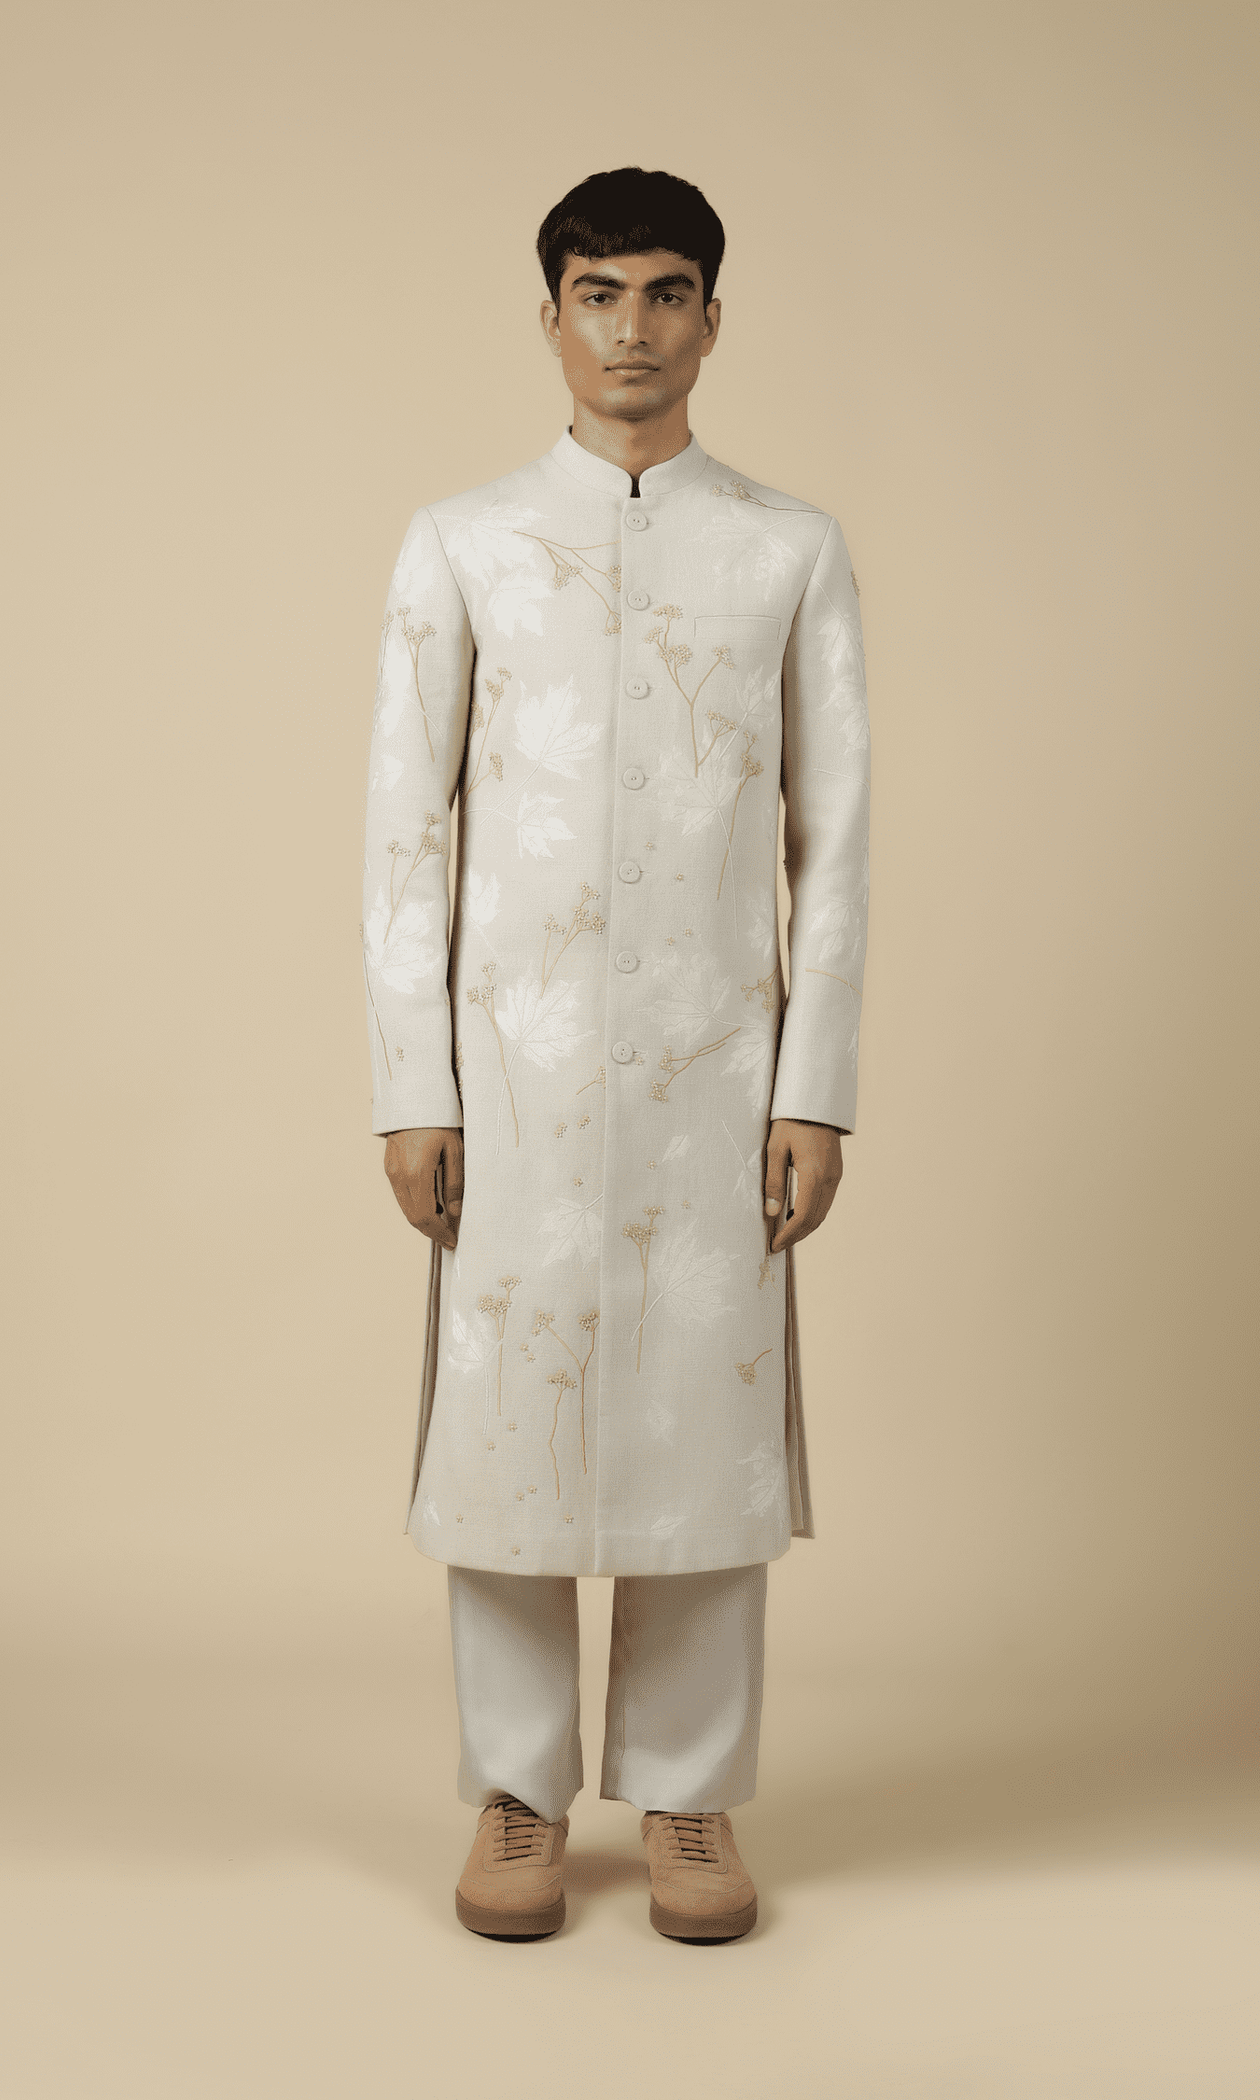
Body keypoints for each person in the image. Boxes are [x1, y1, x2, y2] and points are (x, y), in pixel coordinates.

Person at [362, 165, 870, 1942]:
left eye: (665, 292)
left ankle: (690, 1795)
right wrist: (412, 1088)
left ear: (712, 320)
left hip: (716, 1075)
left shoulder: (789, 549)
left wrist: (815, 1087)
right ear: (552, 316)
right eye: (598, 293)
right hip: (510, 1078)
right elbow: (403, 838)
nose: (631, 329)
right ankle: (515, 1790)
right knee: (509, 1421)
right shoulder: (465, 542)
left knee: (702, 1421)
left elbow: (835, 841)